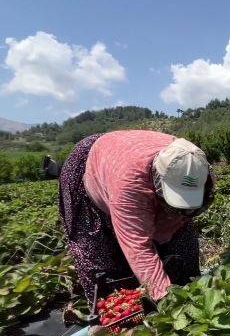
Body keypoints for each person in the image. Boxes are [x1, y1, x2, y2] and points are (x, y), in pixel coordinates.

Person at [58, 130, 215, 303]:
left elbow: (186, 218)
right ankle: (119, 315)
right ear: (158, 180)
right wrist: (168, 302)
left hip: (125, 149)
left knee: (183, 248)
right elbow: (138, 246)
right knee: (102, 263)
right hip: (94, 162)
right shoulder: (129, 185)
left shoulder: (194, 165)